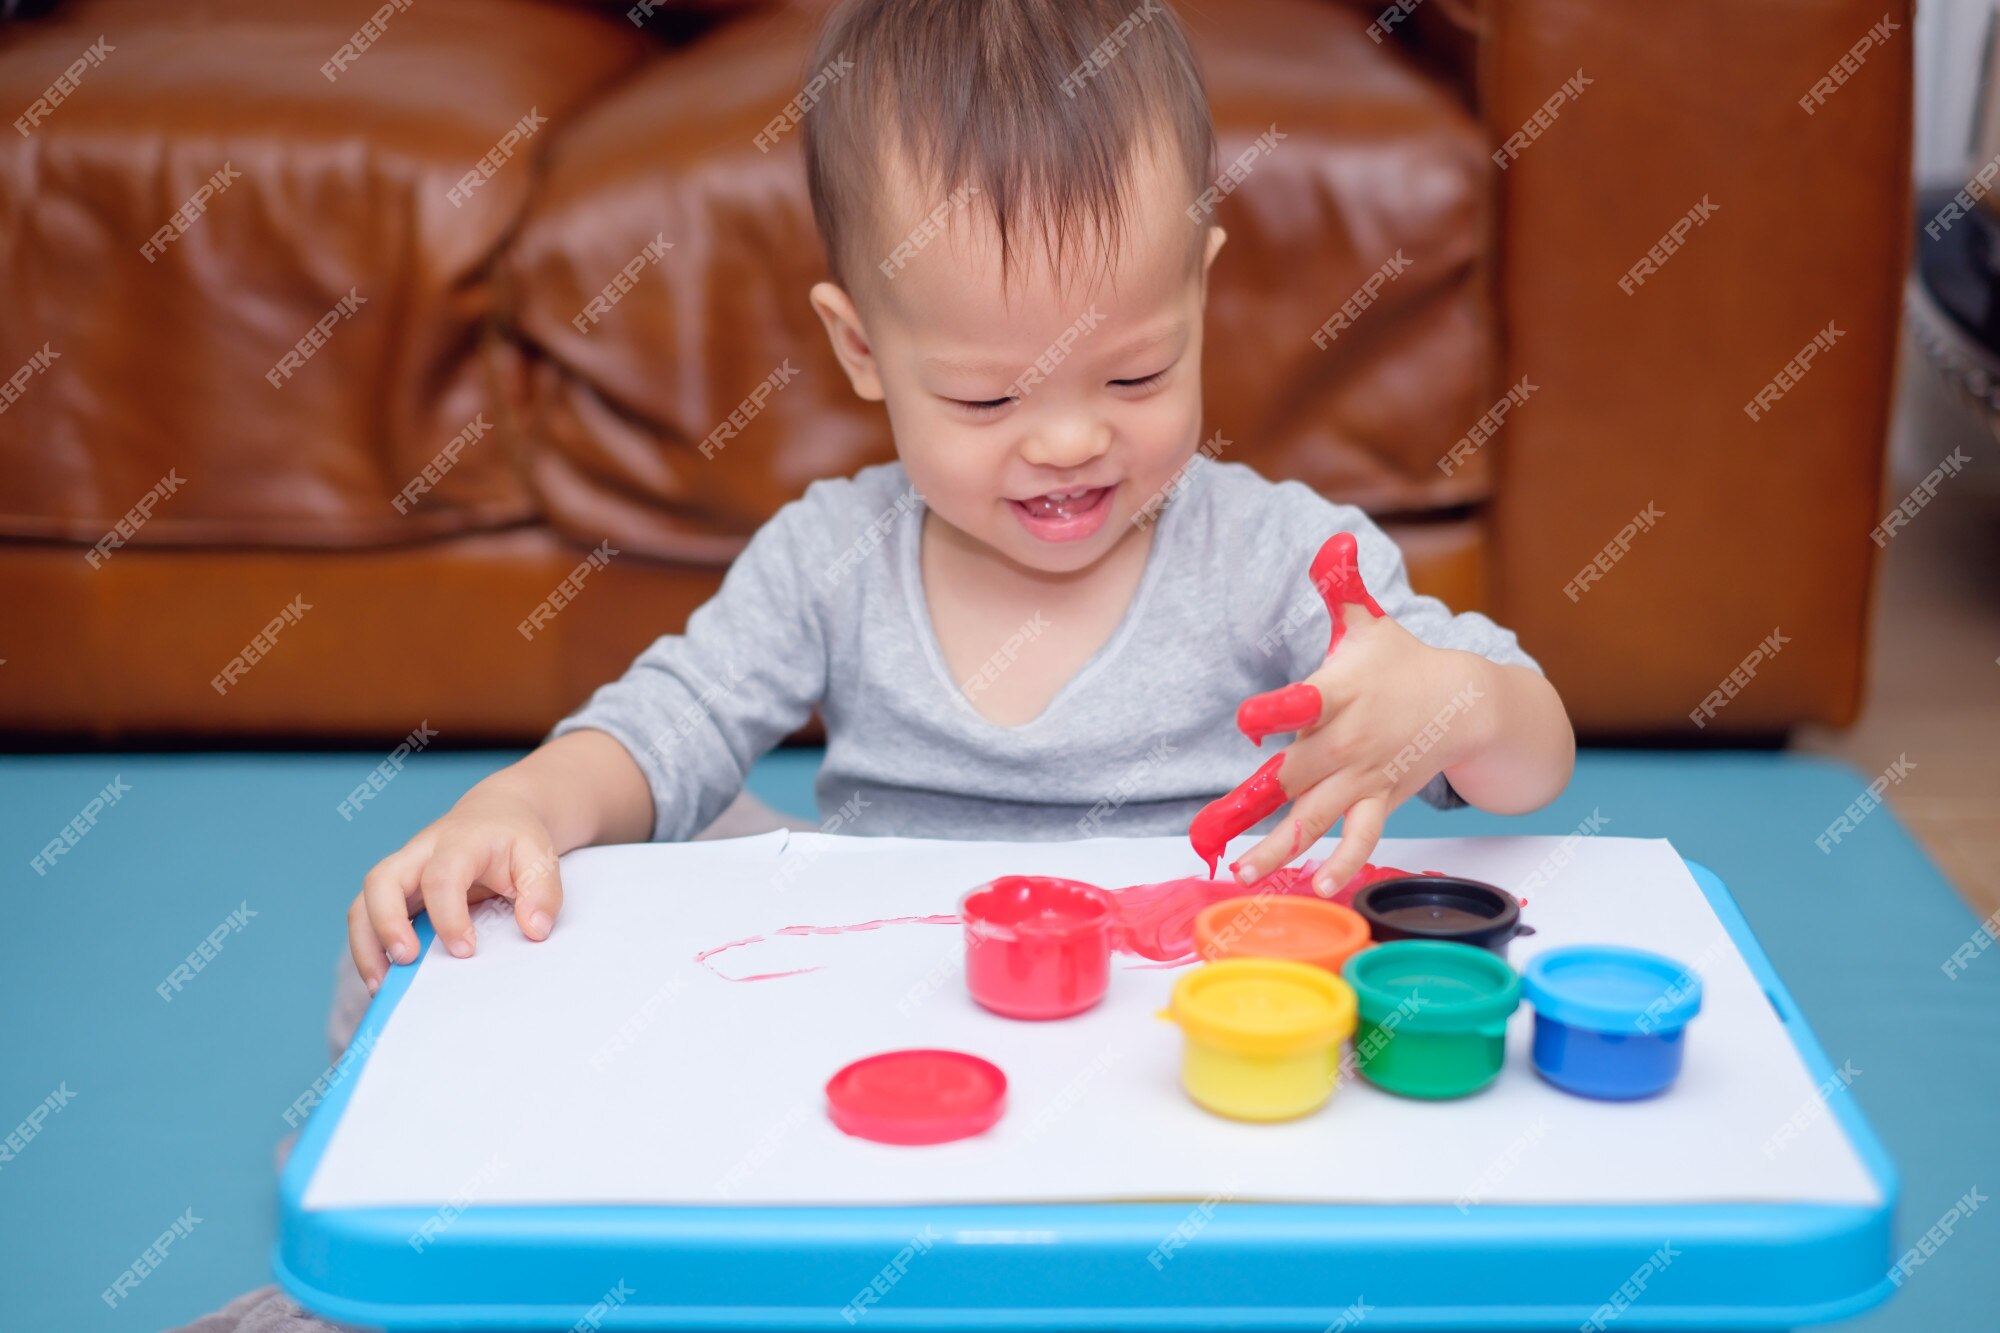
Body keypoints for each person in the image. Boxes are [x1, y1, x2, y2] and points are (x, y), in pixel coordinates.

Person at [186, 0, 1572, 1326]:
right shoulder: (831, 555)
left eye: (1138, 376)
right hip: (892, 1037)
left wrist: (1447, 701)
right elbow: (667, 726)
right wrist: (522, 808)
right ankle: (407, 1263)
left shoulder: (1279, 557)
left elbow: (1528, 757)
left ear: (1202, 297)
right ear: (863, 349)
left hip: (1177, 1044)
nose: (1071, 441)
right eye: (986, 396)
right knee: (503, 900)